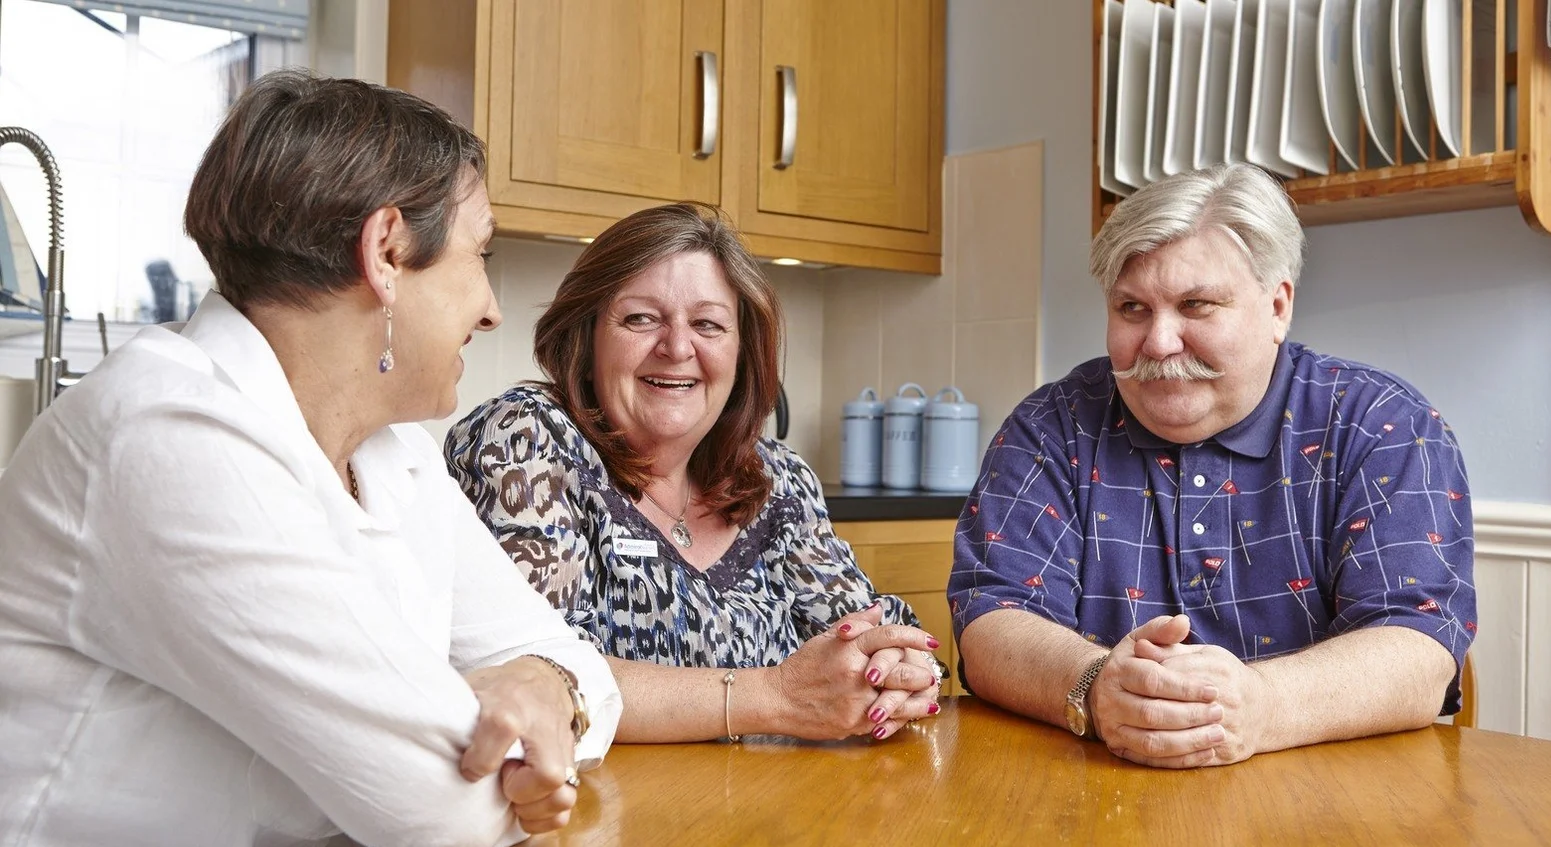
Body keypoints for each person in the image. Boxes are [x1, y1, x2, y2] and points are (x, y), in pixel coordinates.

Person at [0, 70, 621, 846]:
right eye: (480, 254)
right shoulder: (167, 437)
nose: (493, 308)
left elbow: (587, 675)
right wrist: (515, 738)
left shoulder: (393, 450)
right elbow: (435, 809)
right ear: (386, 251)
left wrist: (544, 681)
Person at [949, 163, 1475, 768]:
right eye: (1132, 308)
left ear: (1277, 307)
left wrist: (1262, 705)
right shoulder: (1050, 425)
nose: (1158, 342)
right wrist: (1095, 686)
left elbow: (1419, 646)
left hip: (1328, 799)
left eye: (1195, 305)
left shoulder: (1383, 424)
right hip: (1091, 792)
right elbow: (991, 617)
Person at [445, 202, 941, 744]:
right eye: (641, 319)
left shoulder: (780, 477)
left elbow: (869, 631)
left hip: (779, 795)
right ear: (586, 338)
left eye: (707, 324)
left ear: (743, 354)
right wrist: (777, 696)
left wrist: (899, 669)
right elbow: (534, 672)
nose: (677, 347)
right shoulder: (527, 439)